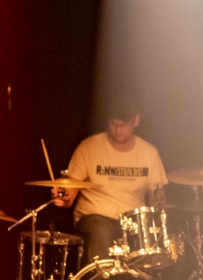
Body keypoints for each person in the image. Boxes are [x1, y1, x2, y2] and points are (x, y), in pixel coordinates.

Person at [53, 96, 168, 266]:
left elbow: (158, 199)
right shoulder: (89, 147)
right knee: (101, 230)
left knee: (153, 246)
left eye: (124, 125)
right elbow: (70, 191)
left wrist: (158, 225)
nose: (118, 130)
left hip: (132, 226)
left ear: (136, 121)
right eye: (114, 124)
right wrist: (63, 197)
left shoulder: (149, 153)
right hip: (94, 218)